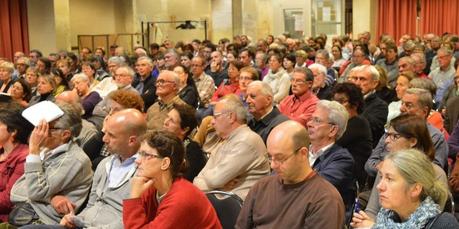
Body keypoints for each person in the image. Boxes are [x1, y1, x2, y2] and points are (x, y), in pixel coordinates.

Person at [236, 121, 345, 228]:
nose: (273, 165)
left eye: (280, 158)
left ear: (303, 154)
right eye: (270, 157)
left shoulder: (325, 200)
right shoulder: (261, 187)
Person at [10, 103, 93, 225]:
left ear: (65, 134)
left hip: (44, 221)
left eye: (45, 128)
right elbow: (15, 191)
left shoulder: (74, 159)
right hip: (28, 216)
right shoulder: (47, 150)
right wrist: (51, 198)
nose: (37, 132)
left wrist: (33, 151)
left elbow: (35, 192)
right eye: (38, 127)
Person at [123, 130, 221, 228]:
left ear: (165, 163)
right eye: (139, 154)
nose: (137, 161)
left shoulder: (182, 199)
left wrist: (134, 198)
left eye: (146, 155)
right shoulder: (151, 186)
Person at [363, 114, 449, 220]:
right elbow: (372, 210)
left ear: (413, 141)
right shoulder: (387, 167)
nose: (386, 141)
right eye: (387, 135)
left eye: (394, 136)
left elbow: (432, 219)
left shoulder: (436, 173)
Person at [352, 149, 459, 228]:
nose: (379, 186)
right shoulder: (385, 217)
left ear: (415, 189)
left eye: (389, 179)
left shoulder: (444, 224)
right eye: (381, 177)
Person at [193, 95, 270, 200]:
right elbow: (197, 180)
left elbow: (215, 180)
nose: (212, 121)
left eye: (216, 116)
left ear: (231, 117)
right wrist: (219, 185)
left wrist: (215, 183)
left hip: (239, 210)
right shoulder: (226, 141)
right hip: (220, 203)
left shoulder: (246, 141)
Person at [365, 88, 449, 177]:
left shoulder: (435, 137)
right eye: (402, 104)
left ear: (424, 111)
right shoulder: (393, 129)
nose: (401, 108)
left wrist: (391, 167)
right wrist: (385, 168)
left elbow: (433, 172)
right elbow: (370, 164)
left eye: (408, 105)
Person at [306, 100, 355, 220]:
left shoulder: (342, 159)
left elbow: (314, 188)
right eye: (311, 119)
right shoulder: (299, 149)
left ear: (332, 130)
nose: (309, 124)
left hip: (322, 219)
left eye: (316, 120)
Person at [332, 82, 373, 191]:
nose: (336, 105)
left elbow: (331, 143)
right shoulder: (338, 123)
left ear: (355, 104)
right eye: (334, 101)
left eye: (341, 101)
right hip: (336, 168)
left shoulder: (359, 123)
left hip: (351, 178)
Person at [0, 109, 33, 222]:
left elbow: (9, 199)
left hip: (5, 216)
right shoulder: (2, 150)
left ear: (13, 131)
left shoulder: (24, 157)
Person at [163, 103, 207, 181]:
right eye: (167, 117)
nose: (165, 122)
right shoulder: (161, 142)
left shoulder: (192, 151)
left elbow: (185, 180)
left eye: (172, 121)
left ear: (184, 130)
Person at [348, 65, 388, 147]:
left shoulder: (380, 106)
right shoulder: (346, 100)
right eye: (355, 79)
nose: (357, 83)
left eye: (362, 79)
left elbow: (367, 128)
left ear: (375, 83)